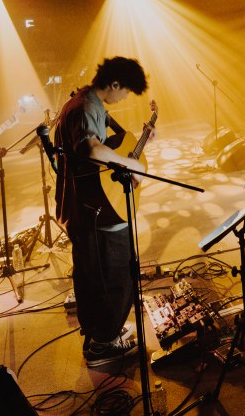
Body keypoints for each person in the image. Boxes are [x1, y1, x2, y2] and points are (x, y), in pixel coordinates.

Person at [54, 57, 150, 367]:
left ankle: (100, 333)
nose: (124, 99)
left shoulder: (87, 101)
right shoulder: (84, 108)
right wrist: (134, 165)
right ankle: (103, 344)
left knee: (93, 275)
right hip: (94, 210)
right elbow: (92, 150)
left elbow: (110, 141)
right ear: (115, 84)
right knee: (113, 273)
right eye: (125, 93)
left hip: (88, 206)